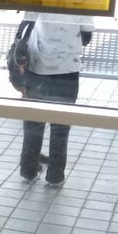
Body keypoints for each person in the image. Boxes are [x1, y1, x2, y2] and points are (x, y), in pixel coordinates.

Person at [20, 12, 94, 186]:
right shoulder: (81, 0)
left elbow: (27, 22)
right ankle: (55, 175)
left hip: (37, 66)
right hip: (67, 70)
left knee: (33, 123)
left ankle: (28, 170)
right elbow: (87, 34)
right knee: (61, 125)